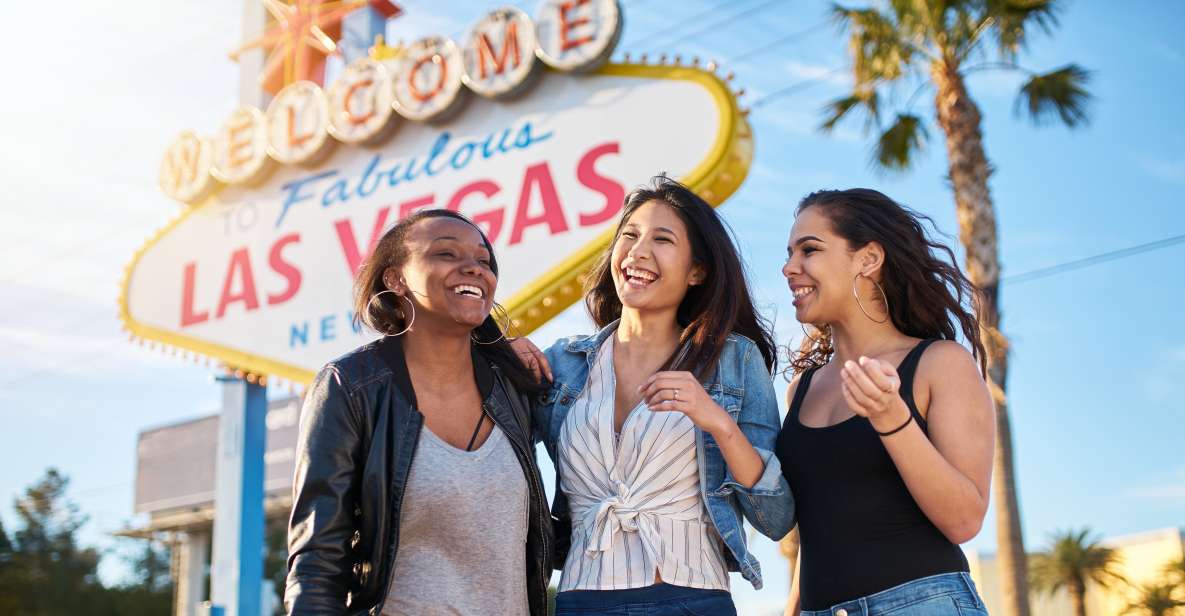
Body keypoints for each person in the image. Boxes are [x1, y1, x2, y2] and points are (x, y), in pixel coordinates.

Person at [518, 176, 796, 616]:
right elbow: (491, 447)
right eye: (629, 235)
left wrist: (719, 423)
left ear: (696, 271)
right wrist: (498, 354)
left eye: (662, 240)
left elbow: (776, 518)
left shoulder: (732, 360)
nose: (638, 251)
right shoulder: (564, 364)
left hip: (691, 598)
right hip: (580, 600)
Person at [284, 209, 552, 616]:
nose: (474, 268)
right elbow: (318, 556)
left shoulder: (515, 388)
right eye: (446, 254)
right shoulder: (351, 386)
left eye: (483, 260)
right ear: (396, 279)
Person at [776, 188, 995, 616]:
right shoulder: (801, 389)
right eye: (789, 253)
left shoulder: (939, 363)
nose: (789, 268)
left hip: (922, 604)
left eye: (810, 250)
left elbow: (965, 520)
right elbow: (823, 523)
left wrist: (891, 418)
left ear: (868, 259)